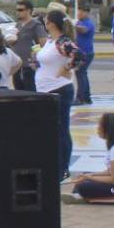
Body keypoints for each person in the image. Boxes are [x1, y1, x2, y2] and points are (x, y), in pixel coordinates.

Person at [35, 10, 83, 182]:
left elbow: (79, 55)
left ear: (52, 24)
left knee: (61, 130)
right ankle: (52, 165)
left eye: (46, 21)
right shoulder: (50, 41)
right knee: (49, 130)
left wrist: (67, 68)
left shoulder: (63, 41)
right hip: (45, 90)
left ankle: (63, 169)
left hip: (59, 90)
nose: (44, 23)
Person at [11, 0, 46, 91]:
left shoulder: (36, 25)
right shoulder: (18, 25)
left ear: (29, 10)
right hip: (17, 66)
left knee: (30, 92)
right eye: (17, 10)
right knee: (18, 92)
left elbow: (43, 43)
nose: (18, 12)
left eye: (21, 10)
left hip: (30, 66)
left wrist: (35, 56)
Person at [73, 5, 96, 105]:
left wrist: (71, 25)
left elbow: (83, 30)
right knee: (82, 74)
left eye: (81, 12)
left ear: (87, 13)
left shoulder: (88, 23)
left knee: (80, 73)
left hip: (86, 53)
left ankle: (80, 98)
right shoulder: (79, 22)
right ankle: (86, 97)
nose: (79, 14)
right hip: (80, 52)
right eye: (78, 12)